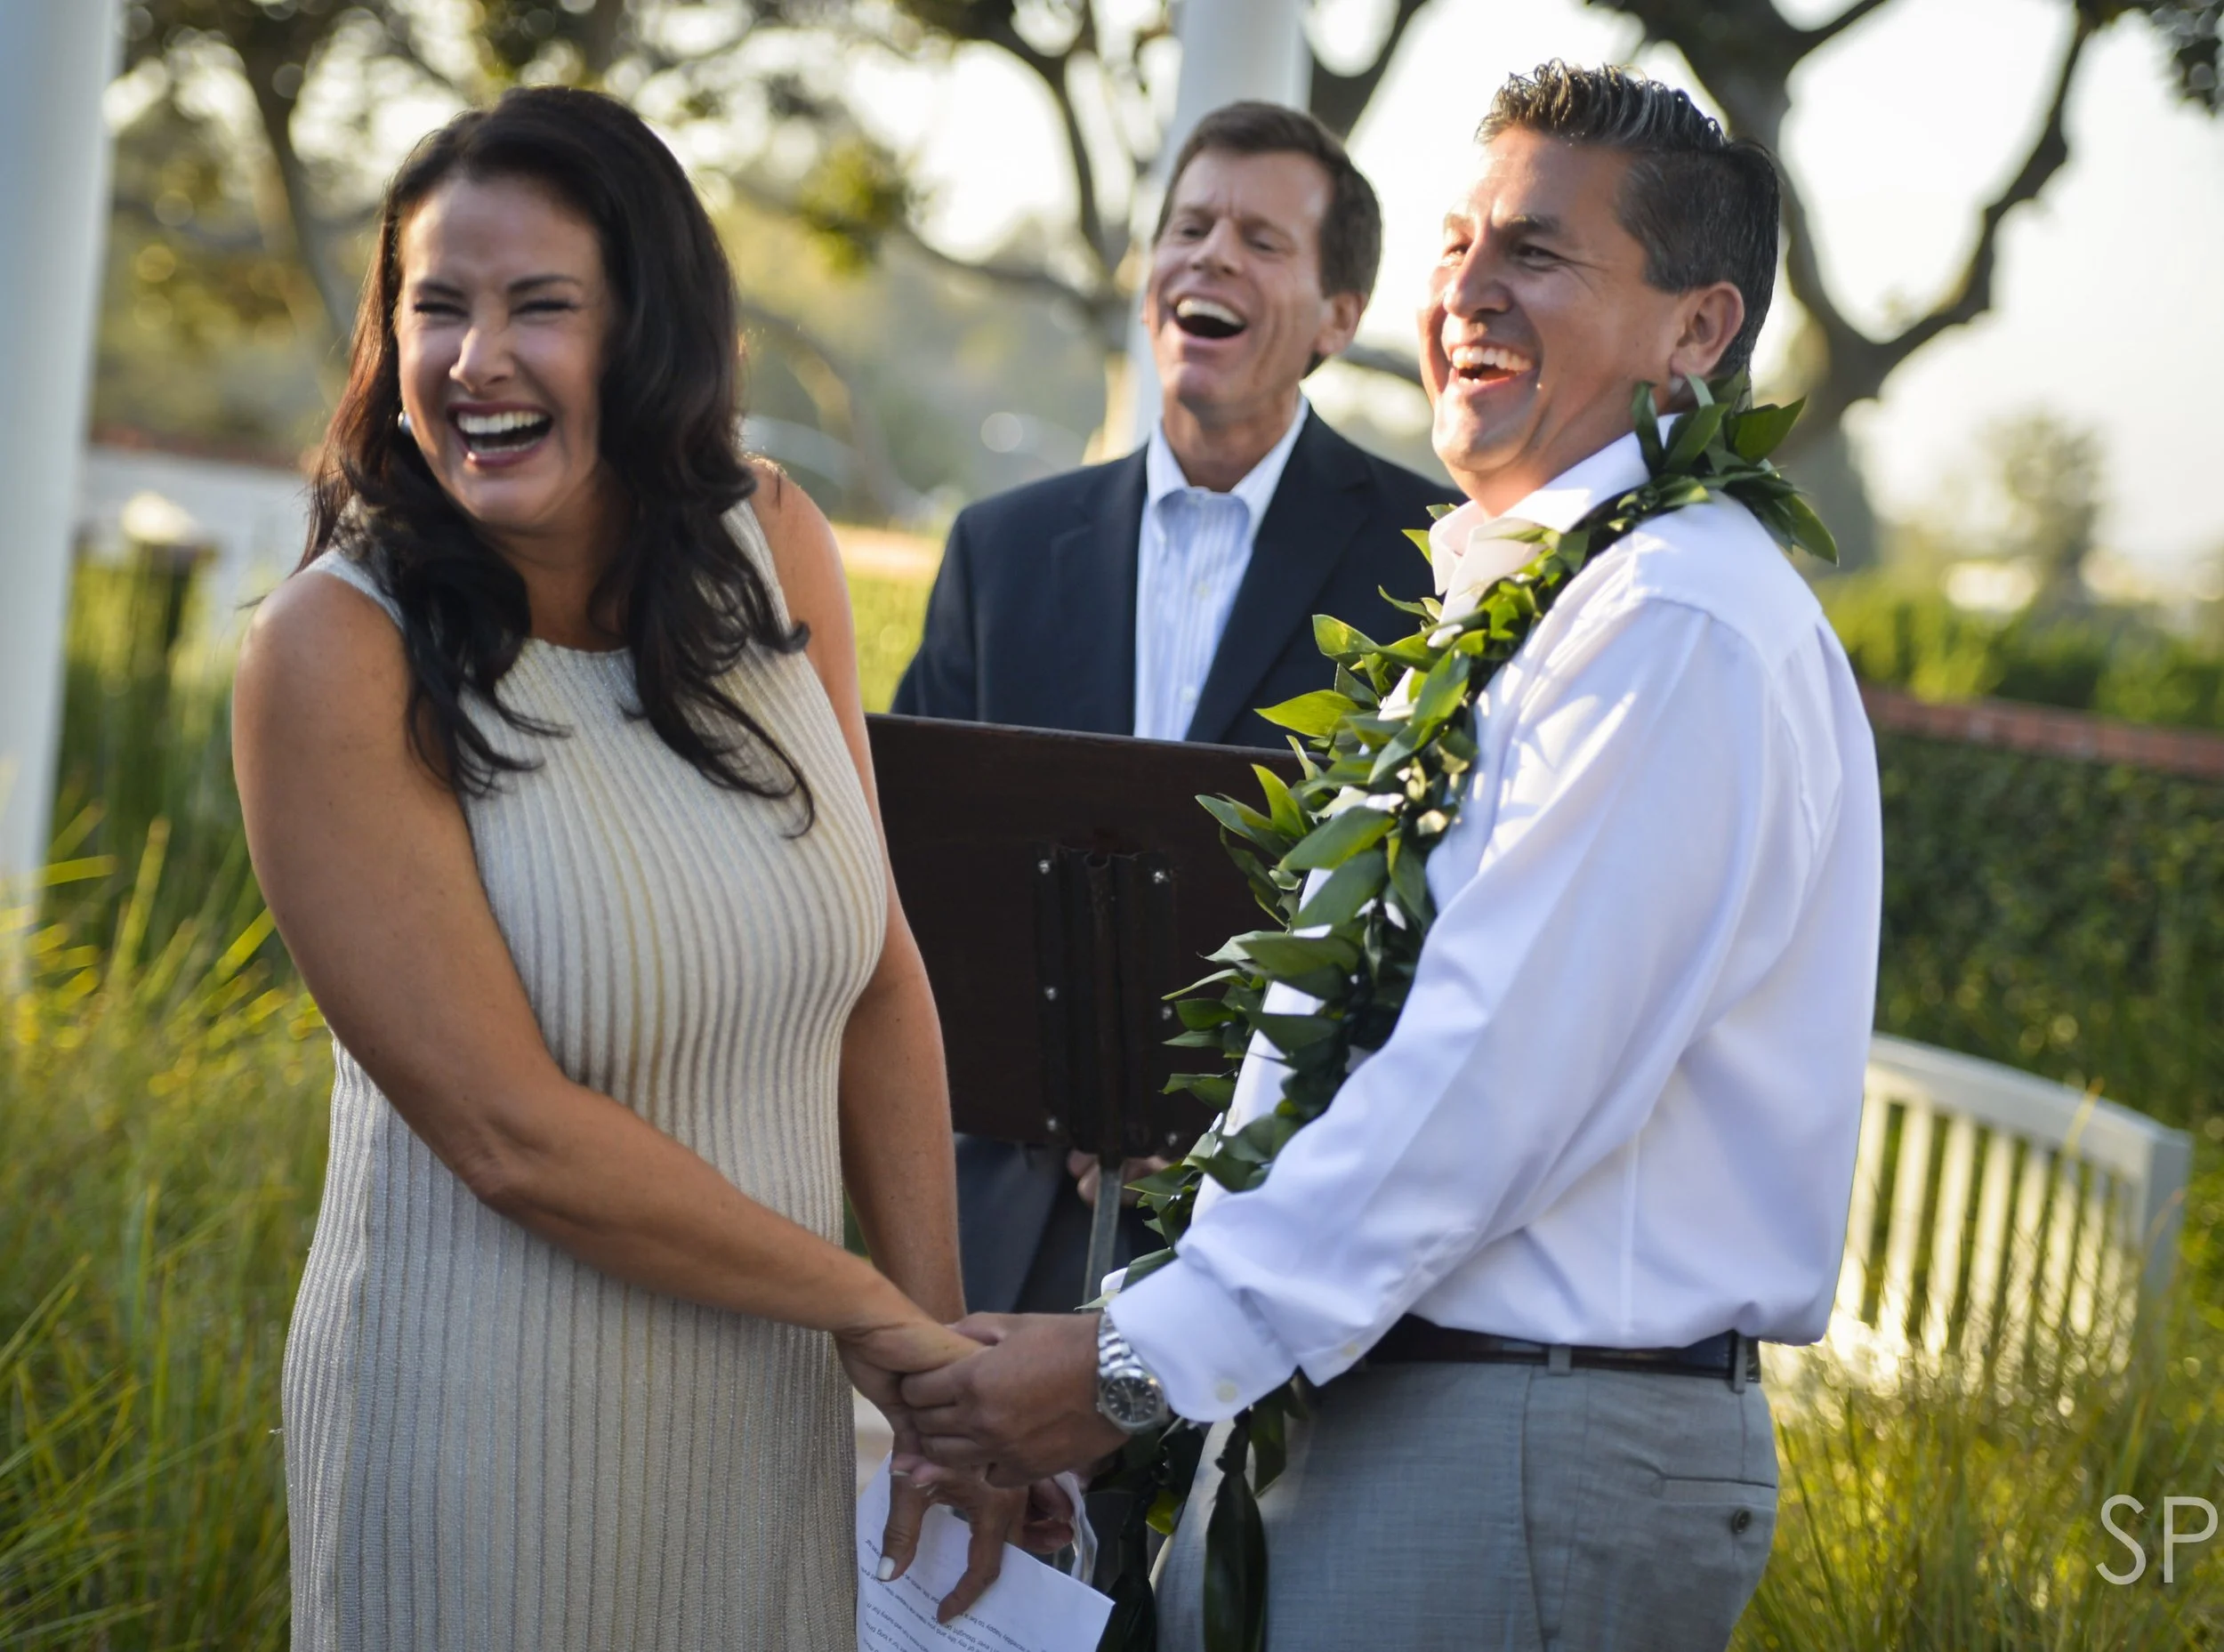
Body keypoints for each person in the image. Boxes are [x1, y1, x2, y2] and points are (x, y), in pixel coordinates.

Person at [889, 62, 1884, 1651]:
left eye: (1537, 253)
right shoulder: (1543, 603)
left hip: (1522, 1432)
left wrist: (1136, 1365)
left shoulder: (1673, 617)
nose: (1468, 292)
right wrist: (1161, 1389)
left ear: (1698, 331)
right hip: (1379, 1404)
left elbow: (1482, 1085)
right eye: (1458, 244)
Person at [231, 88, 1057, 1652]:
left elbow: (875, 969)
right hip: (485, 1445)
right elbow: (512, 1135)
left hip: (763, 1430)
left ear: (648, 332)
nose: (477, 360)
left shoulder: (771, 541)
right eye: (437, 308)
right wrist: (874, 1316)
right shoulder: (332, 652)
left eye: (540, 306)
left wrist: (947, 1383)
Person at [892, 101, 1456, 1320]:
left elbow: (1436, 911)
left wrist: (1220, 1116)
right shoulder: (1000, 551)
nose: (1211, 257)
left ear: (1338, 316)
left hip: (1277, 1246)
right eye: (1190, 228)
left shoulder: (1432, 563)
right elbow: (910, 879)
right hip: (998, 1236)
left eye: (1261, 239)